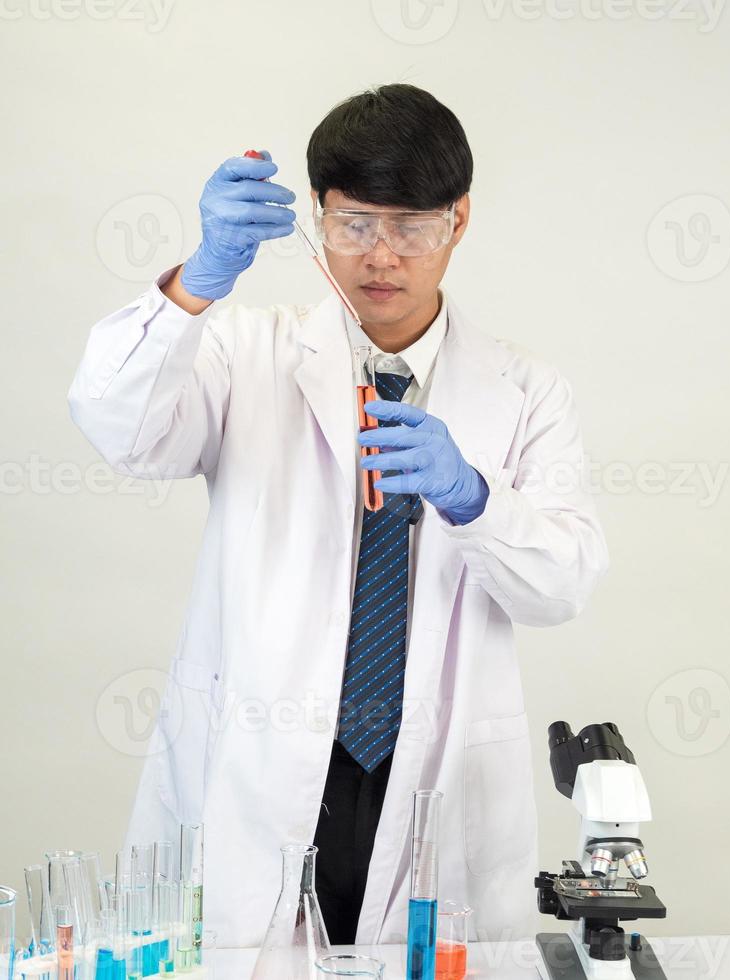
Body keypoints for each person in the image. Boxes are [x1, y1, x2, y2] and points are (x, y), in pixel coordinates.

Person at [68, 83, 609, 947]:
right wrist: (194, 284)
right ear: (317, 219)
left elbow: (560, 586)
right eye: (354, 224)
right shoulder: (246, 351)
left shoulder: (528, 391)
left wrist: (474, 498)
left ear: (458, 222)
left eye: (411, 226)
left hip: (433, 769)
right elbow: (123, 432)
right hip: (263, 763)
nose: (381, 256)